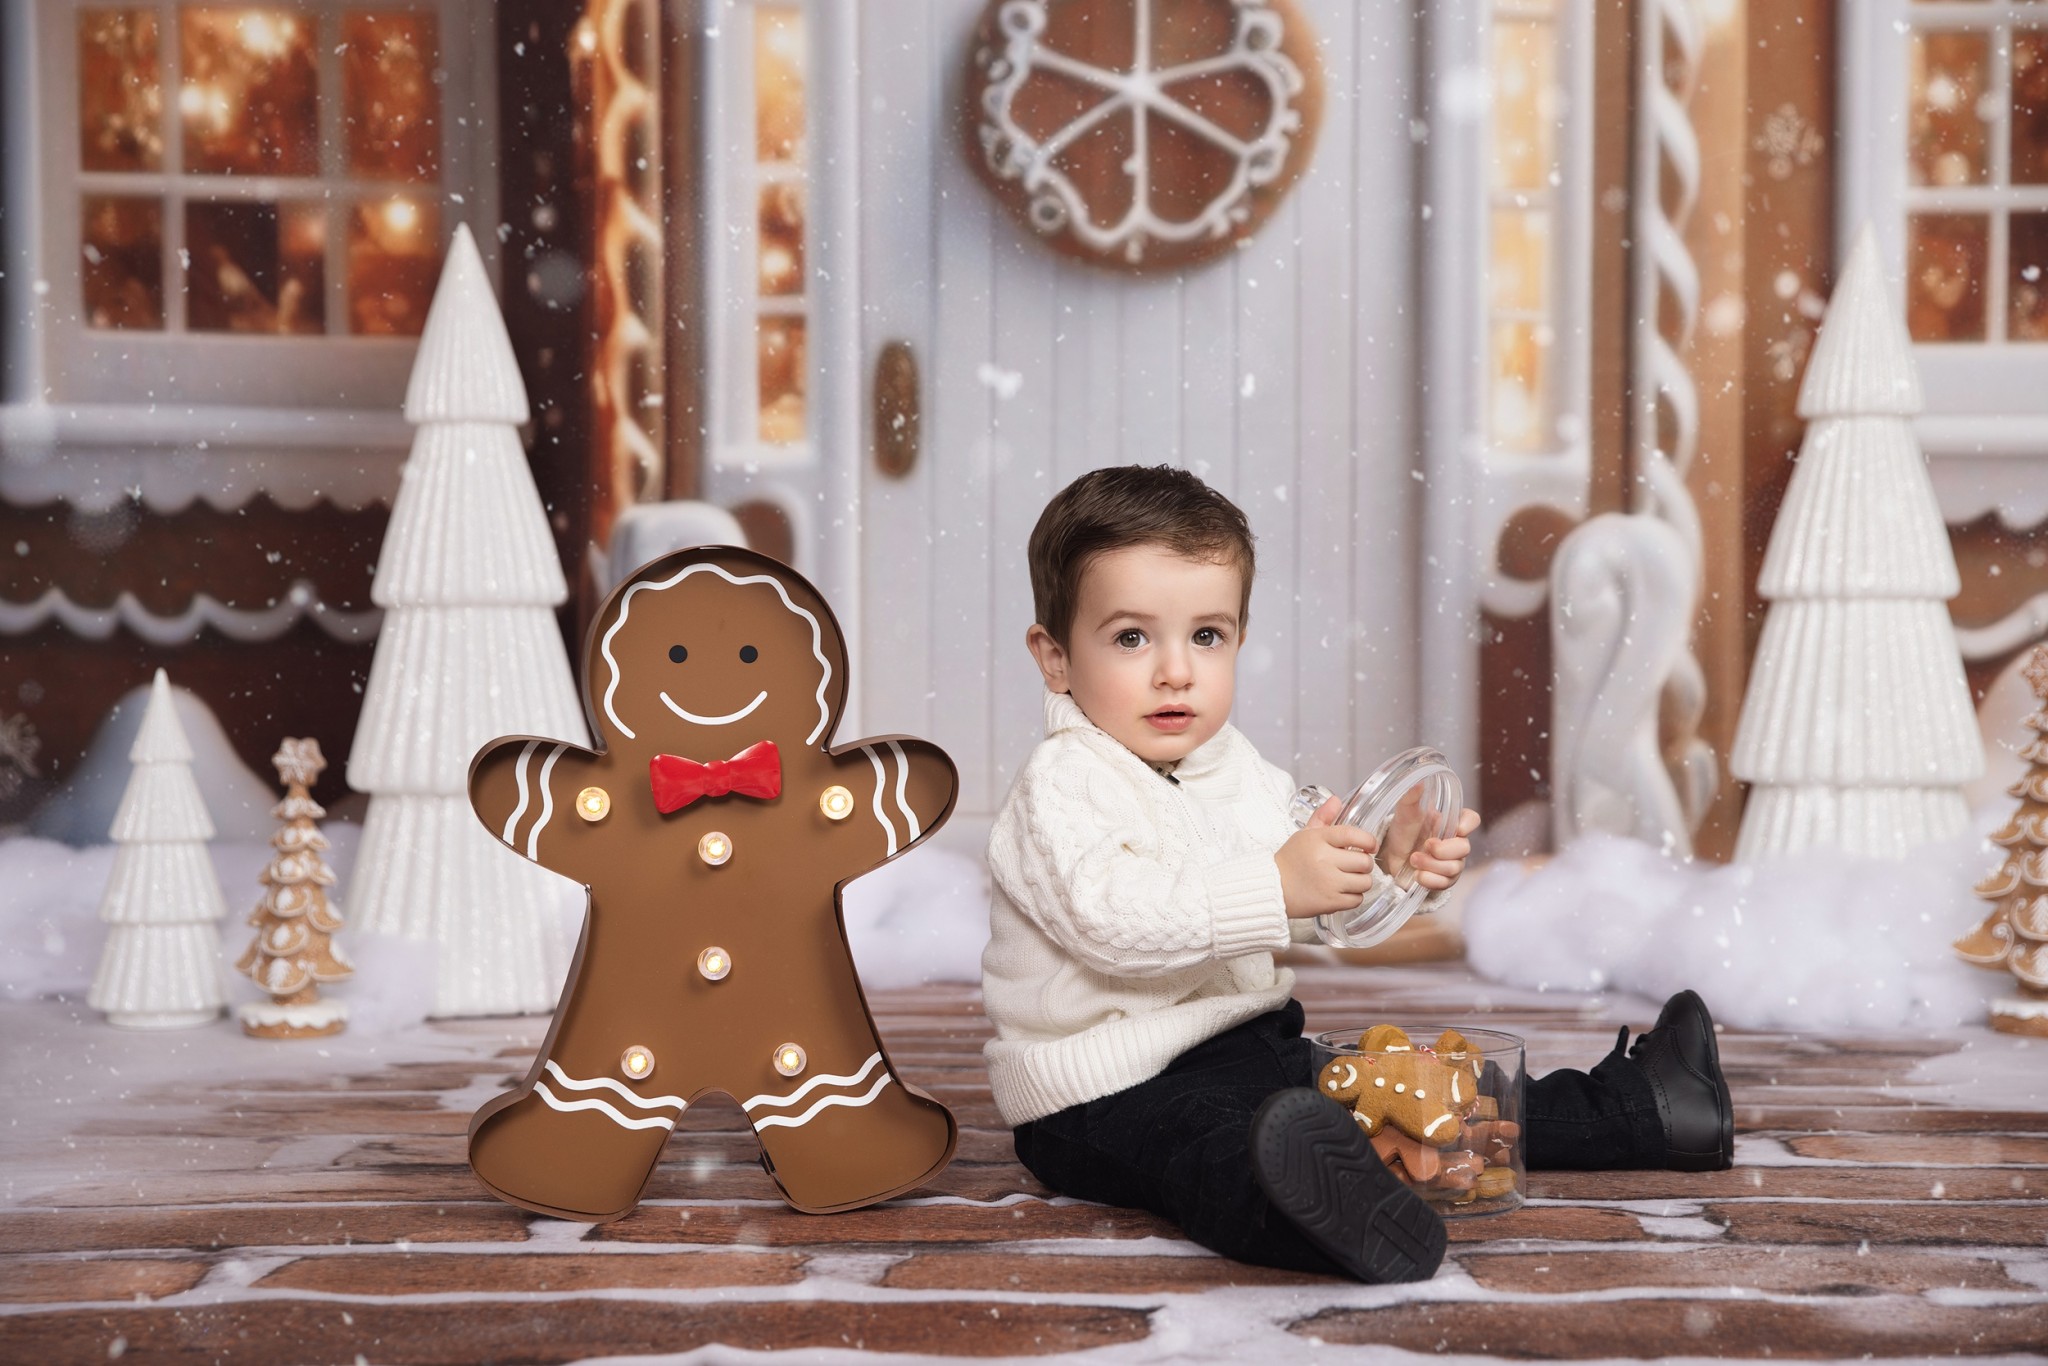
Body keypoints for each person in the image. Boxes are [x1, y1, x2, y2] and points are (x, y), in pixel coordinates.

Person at [981, 465, 1735, 1284]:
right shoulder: (1061, 783)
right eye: (1132, 638)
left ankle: (1649, 1111)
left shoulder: (1232, 767)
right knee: (1209, 1147)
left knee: (1428, 1093)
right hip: (1107, 1091)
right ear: (1054, 657)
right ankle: (1317, 1211)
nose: (1176, 670)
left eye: (1207, 635)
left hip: (1249, 1050)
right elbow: (1111, 924)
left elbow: (1321, 910)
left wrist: (1390, 870)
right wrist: (1275, 885)